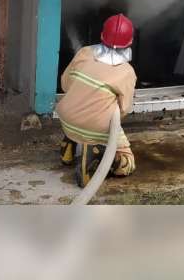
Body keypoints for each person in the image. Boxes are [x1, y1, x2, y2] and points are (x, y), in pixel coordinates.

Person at [56, 13, 137, 188]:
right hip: (95, 127)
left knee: (81, 107)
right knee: (127, 162)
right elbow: (124, 109)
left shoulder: (84, 52)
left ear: (101, 35)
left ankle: (69, 145)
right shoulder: (127, 72)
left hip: (66, 118)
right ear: (130, 42)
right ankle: (96, 152)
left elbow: (65, 83)